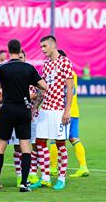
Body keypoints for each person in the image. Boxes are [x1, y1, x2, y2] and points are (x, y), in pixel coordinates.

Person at [0, 39, 47, 192]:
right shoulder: (28, 68)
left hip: (7, 108)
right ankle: (24, 183)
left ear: (8, 50)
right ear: (20, 50)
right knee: (25, 146)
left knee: (0, 146)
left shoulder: (2, 67)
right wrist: (28, 84)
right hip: (23, 109)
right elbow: (44, 86)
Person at [30, 35, 74, 191]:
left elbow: (70, 88)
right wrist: (36, 105)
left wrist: (67, 111)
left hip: (58, 110)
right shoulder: (46, 64)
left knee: (60, 144)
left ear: (52, 45)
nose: (42, 50)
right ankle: (45, 178)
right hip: (45, 109)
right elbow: (43, 88)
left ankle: (61, 178)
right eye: (41, 47)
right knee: (40, 142)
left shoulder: (65, 62)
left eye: (44, 46)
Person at [49, 50, 90, 178]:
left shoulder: (61, 74)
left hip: (62, 111)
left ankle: (53, 168)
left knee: (55, 139)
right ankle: (83, 167)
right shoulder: (73, 74)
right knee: (73, 138)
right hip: (74, 111)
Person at [6, 50, 40, 187]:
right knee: (17, 147)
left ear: (25, 58)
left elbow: (39, 92)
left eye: (22, 57)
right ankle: (19, 176)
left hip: (31, 116)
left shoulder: (30, 72)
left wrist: (34, 107)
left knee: (34, 145)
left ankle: (32, 173)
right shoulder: (10, 74)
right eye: (18, 57)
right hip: (15, 114)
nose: (19, 59)